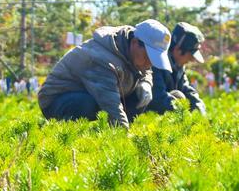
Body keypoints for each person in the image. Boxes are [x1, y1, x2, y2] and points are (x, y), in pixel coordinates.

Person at [38, 19, 172, 128]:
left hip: (95, 94)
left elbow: (146, 71)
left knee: (140, 96)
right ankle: (76, 139)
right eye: (148, 56)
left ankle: (109, 132)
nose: (149, 64)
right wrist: (124, 140)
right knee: (86, 104)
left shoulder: (133, 53)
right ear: (135, 43)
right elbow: (109, 102)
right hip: (58, 101)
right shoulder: (102, 57)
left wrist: (146, 82)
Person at [145, 22, 207, 115]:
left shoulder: (179, 67)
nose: (192, 59)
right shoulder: (157, 64)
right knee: (179, 95)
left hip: (168, 116)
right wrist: (185, 114)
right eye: (190, 54)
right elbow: (157, 98)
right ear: (177, 49)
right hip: (149, 118)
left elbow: (186, 90)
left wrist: (199, 108)